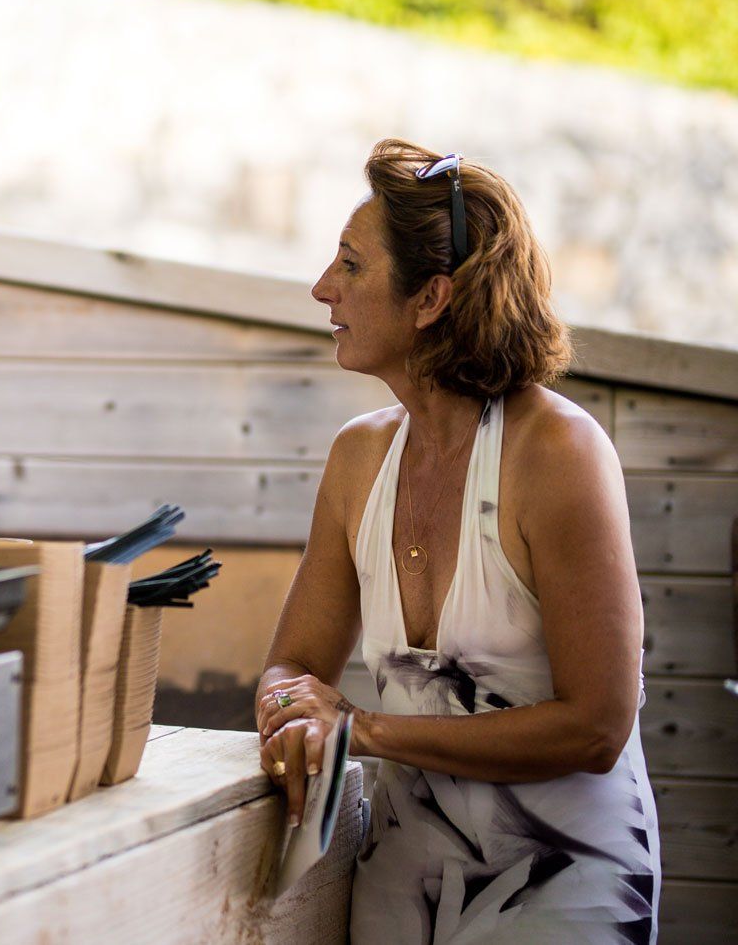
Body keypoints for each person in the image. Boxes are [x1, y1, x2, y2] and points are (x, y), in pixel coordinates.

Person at [253, 140, 659, 943]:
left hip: (568, 885)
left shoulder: (558, 454)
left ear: (431, 297)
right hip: (400, 886)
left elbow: (598, 725)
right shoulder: (357, 457)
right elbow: (294, 662)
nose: (321, 288)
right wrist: (288, 708)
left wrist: (364, 729)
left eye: (351, 266)